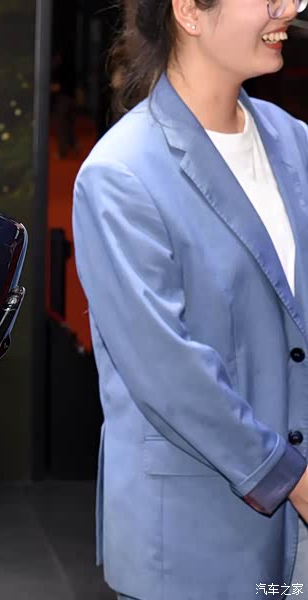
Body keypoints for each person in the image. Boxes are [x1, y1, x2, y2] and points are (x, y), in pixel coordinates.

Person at [71, 0, 308, 598]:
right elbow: (168, 373)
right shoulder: (121, 173)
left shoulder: (296, 141)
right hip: (194, 540)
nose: (290, 8)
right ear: (190, 12)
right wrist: (291, 479)